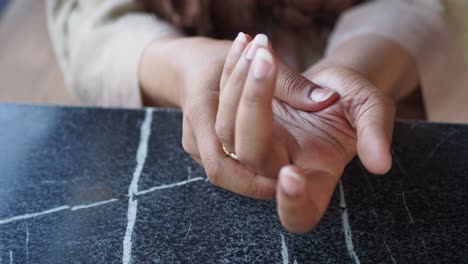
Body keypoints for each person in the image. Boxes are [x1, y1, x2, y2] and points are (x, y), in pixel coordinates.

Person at [46, 0, 467, 233]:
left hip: (368, 115)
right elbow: (86, 17)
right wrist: (187, 67)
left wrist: (357, 66)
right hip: (166, 111)